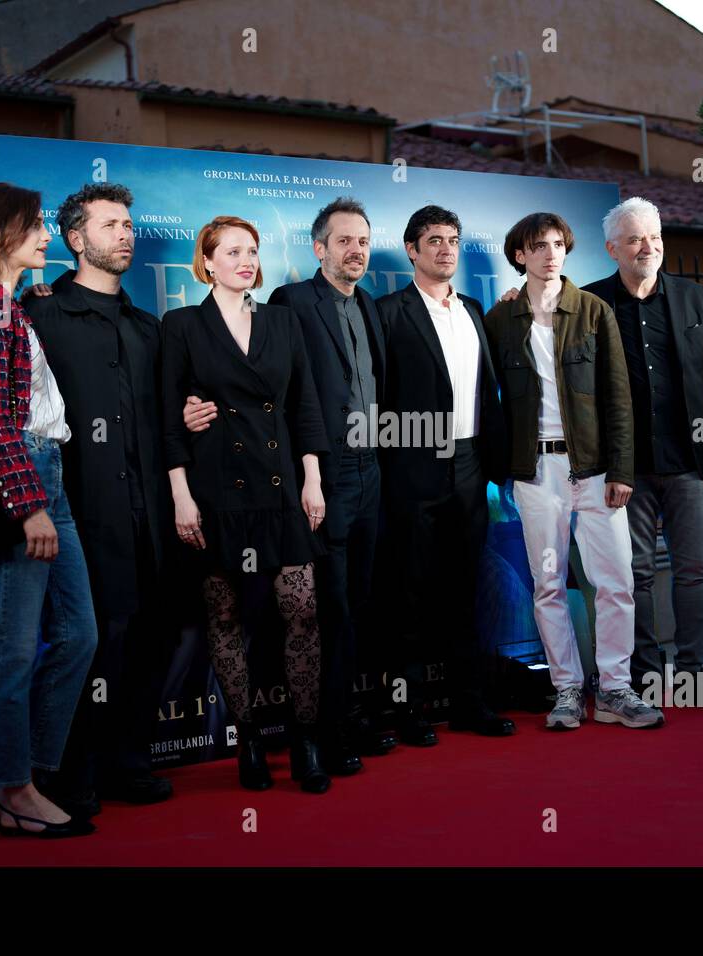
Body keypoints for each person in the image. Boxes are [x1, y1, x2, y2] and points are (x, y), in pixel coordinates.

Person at [0, 183, 179, 815]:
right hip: (46, 495)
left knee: (95, 637)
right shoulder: (19, 306)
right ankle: (26, 783)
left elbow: (7, 399)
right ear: (78, 238)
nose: (127, 233)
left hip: (117, 510)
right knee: (21, 643)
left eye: (131, 223)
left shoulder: (138, 326)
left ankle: (41, 777)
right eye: (112, 224)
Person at [186, 197, 395, 771]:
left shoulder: (371, 306)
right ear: (319, 248)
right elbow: (281, 393)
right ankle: (319, 733)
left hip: (365, 468)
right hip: (309, 475)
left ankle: (344, 720)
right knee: (320, 608)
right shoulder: (290, 303)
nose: (355, 250)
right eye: (343, 240)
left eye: (363, 240)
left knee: (352, 603)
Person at [0, 182, 98, 836]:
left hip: (43, 472)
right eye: (34, 225)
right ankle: (14, 791)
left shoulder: (6, 302)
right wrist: (30, 507)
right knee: (11, 648)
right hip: (19, 479)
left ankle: (26, 774)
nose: (46, 234)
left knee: (77, 631)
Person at [162, 215, 333, 794]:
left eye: (253, 250)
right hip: (215, 491)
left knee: (302, 611)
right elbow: (168, 421)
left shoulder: (283, 322)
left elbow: (304, 404)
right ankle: (249, 742)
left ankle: (307, 739)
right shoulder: (181, 325)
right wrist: (181, 497)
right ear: (206, 262)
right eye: (232, 251)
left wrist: (313, 478)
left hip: (282, 485)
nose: (246, 260)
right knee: (226, 617)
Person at [484, 212, 662, 730]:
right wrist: (504, 472)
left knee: (616, 583)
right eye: (539, 246)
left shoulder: (593, 311)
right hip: (537, 473)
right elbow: (484, 400)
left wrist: (621, 471)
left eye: (559, 244)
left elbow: (619, 399)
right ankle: (566, 689)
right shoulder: (501, 320)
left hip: (596, 469)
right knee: (548, 584)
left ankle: (614, 689)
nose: (551, 254)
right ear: (521, 255)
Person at [581, 198, 703, 705]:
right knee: (635, 575)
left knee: (694, 569)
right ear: (612, 249)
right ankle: (645, 675)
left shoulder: (694, 297)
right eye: (635, 239)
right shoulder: (591, 303)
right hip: (627, 469)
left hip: (690, 463)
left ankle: (694, 673)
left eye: (655, 238)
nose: (648, 247)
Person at [374, 205, 514, 742]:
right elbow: (378, 400)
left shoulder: (475, 310)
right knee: (406, 595)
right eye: (433, 240)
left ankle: (468, 704)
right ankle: (405, 713)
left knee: (466, 590)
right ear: (412, 250)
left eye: (452, 240)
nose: (446, 249)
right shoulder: (387, 312)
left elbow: (489, 395)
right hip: (410, 470)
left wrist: (493, 468)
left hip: (470, 466)